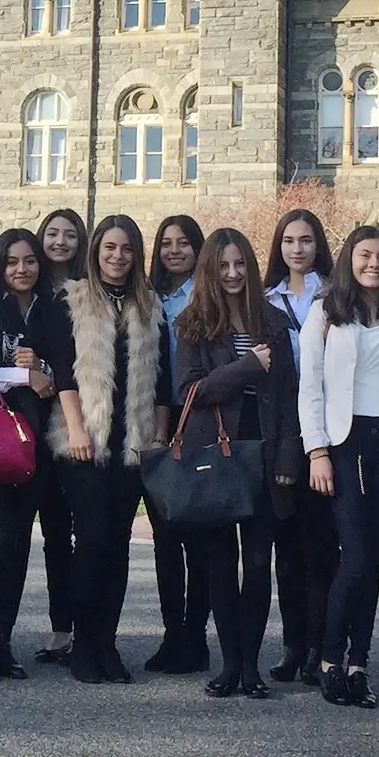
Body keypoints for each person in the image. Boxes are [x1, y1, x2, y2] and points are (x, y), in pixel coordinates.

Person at [172, 228, 300, 699]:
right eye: (222, 266)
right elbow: (189, 392)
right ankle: (229, 664)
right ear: (210, 269)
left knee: (259, 562)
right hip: (217, 454)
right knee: (220, 564)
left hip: (264, 452)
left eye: (239, 264)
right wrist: (245, 368)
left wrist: (289, 456)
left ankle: (251, 665)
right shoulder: (192, 323)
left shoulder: (274, 322)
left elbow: (289, 396)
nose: (231, 274)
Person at [43, 215, 170, 684]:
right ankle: (83, 644)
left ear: (137, 255)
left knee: (117, 546)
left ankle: (107, 644)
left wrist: (156, 439)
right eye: (110, 248)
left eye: (127, 249)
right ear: (96, 251)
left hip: (131, 443)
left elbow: (163, 382)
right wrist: (76, 429)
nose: (118, 257)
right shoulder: (73, 299)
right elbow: (62, 370)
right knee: (91, 540)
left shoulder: (149, 306)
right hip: (84, 441)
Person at [298, 224, 379, 709]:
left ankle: (358, 664)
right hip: (345, 446)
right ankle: (330, 659)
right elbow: (311, 387)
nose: (375, 264)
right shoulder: (326, 313)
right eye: (366, 255)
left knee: (375, 559)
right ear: (350, 259)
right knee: (355, 557)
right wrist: (318, 452)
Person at [0, 228, 70, 681]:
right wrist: (24, 378)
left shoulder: (53, 311)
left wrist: (43, 371)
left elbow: (65, 367)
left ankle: (4, 642)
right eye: (12, 262)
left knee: (21, 543)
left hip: (42, 440)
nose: (21, 270)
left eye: (29, 261)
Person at [262, 209, 337, 688]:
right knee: (286, 551)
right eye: (289, 240)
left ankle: (320, 646)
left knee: (322, 549)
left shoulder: (336, 294)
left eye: (306, 240)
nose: (297, 249)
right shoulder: (265, 301)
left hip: (328, 427)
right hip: (281, 431)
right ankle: (292, 646)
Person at [146, 214, 212, 674]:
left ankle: (196, 633)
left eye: (183, 243)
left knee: (200, 539)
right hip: (158, 422)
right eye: (166, 243)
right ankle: (173, 632)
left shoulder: (207, 298)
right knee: (165, 539)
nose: (174, 250)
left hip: (200, 423)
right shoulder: (149, 299)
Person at [31, 207, 89, 663]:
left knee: (81, 530)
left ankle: (83, 626)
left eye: (70, 234)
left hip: (78, 419)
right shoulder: (26, 286)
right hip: (32, 420)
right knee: (53, 532)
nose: (60, 241)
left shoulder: (87, 291)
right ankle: (59, 629)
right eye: (52, 233)